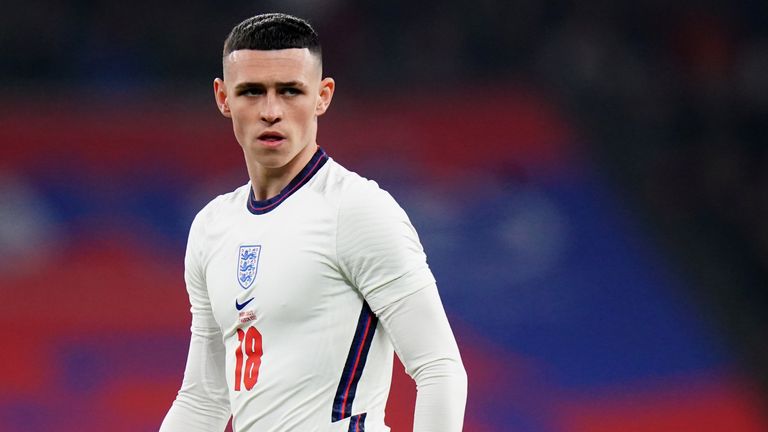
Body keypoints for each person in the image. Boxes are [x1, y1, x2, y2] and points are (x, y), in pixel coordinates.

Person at [160, 13, 467, 432]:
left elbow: (439, 369)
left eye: (290, 91)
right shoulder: (212, 227)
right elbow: (204, 399)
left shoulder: (357, 210)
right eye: (252, 91)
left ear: (322, 96)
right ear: (223, 97)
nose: (271, 111)